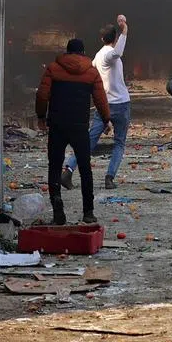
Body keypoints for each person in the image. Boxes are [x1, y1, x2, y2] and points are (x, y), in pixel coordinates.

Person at [36, 39, 109, 225]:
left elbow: (42, 94)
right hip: (80, 126)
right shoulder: (91, 72)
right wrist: (106, 119)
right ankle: (88, 212)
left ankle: (58, 212)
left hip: (57, 125)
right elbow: (100, 99)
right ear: (83, 52)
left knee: (54, 167)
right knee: (85, 168)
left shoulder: (53, 69)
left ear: (67, 52)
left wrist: (41, 116)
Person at [62, 15, 130, 191]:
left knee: (89, 141)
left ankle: (68, 170)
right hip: (120, 105)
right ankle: (109, 177)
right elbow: (118, 52)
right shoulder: (108, 55)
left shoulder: (98, 57)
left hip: (103, 105)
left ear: (101, 38)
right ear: (115, 38)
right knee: (119, 143)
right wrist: (125, 30)